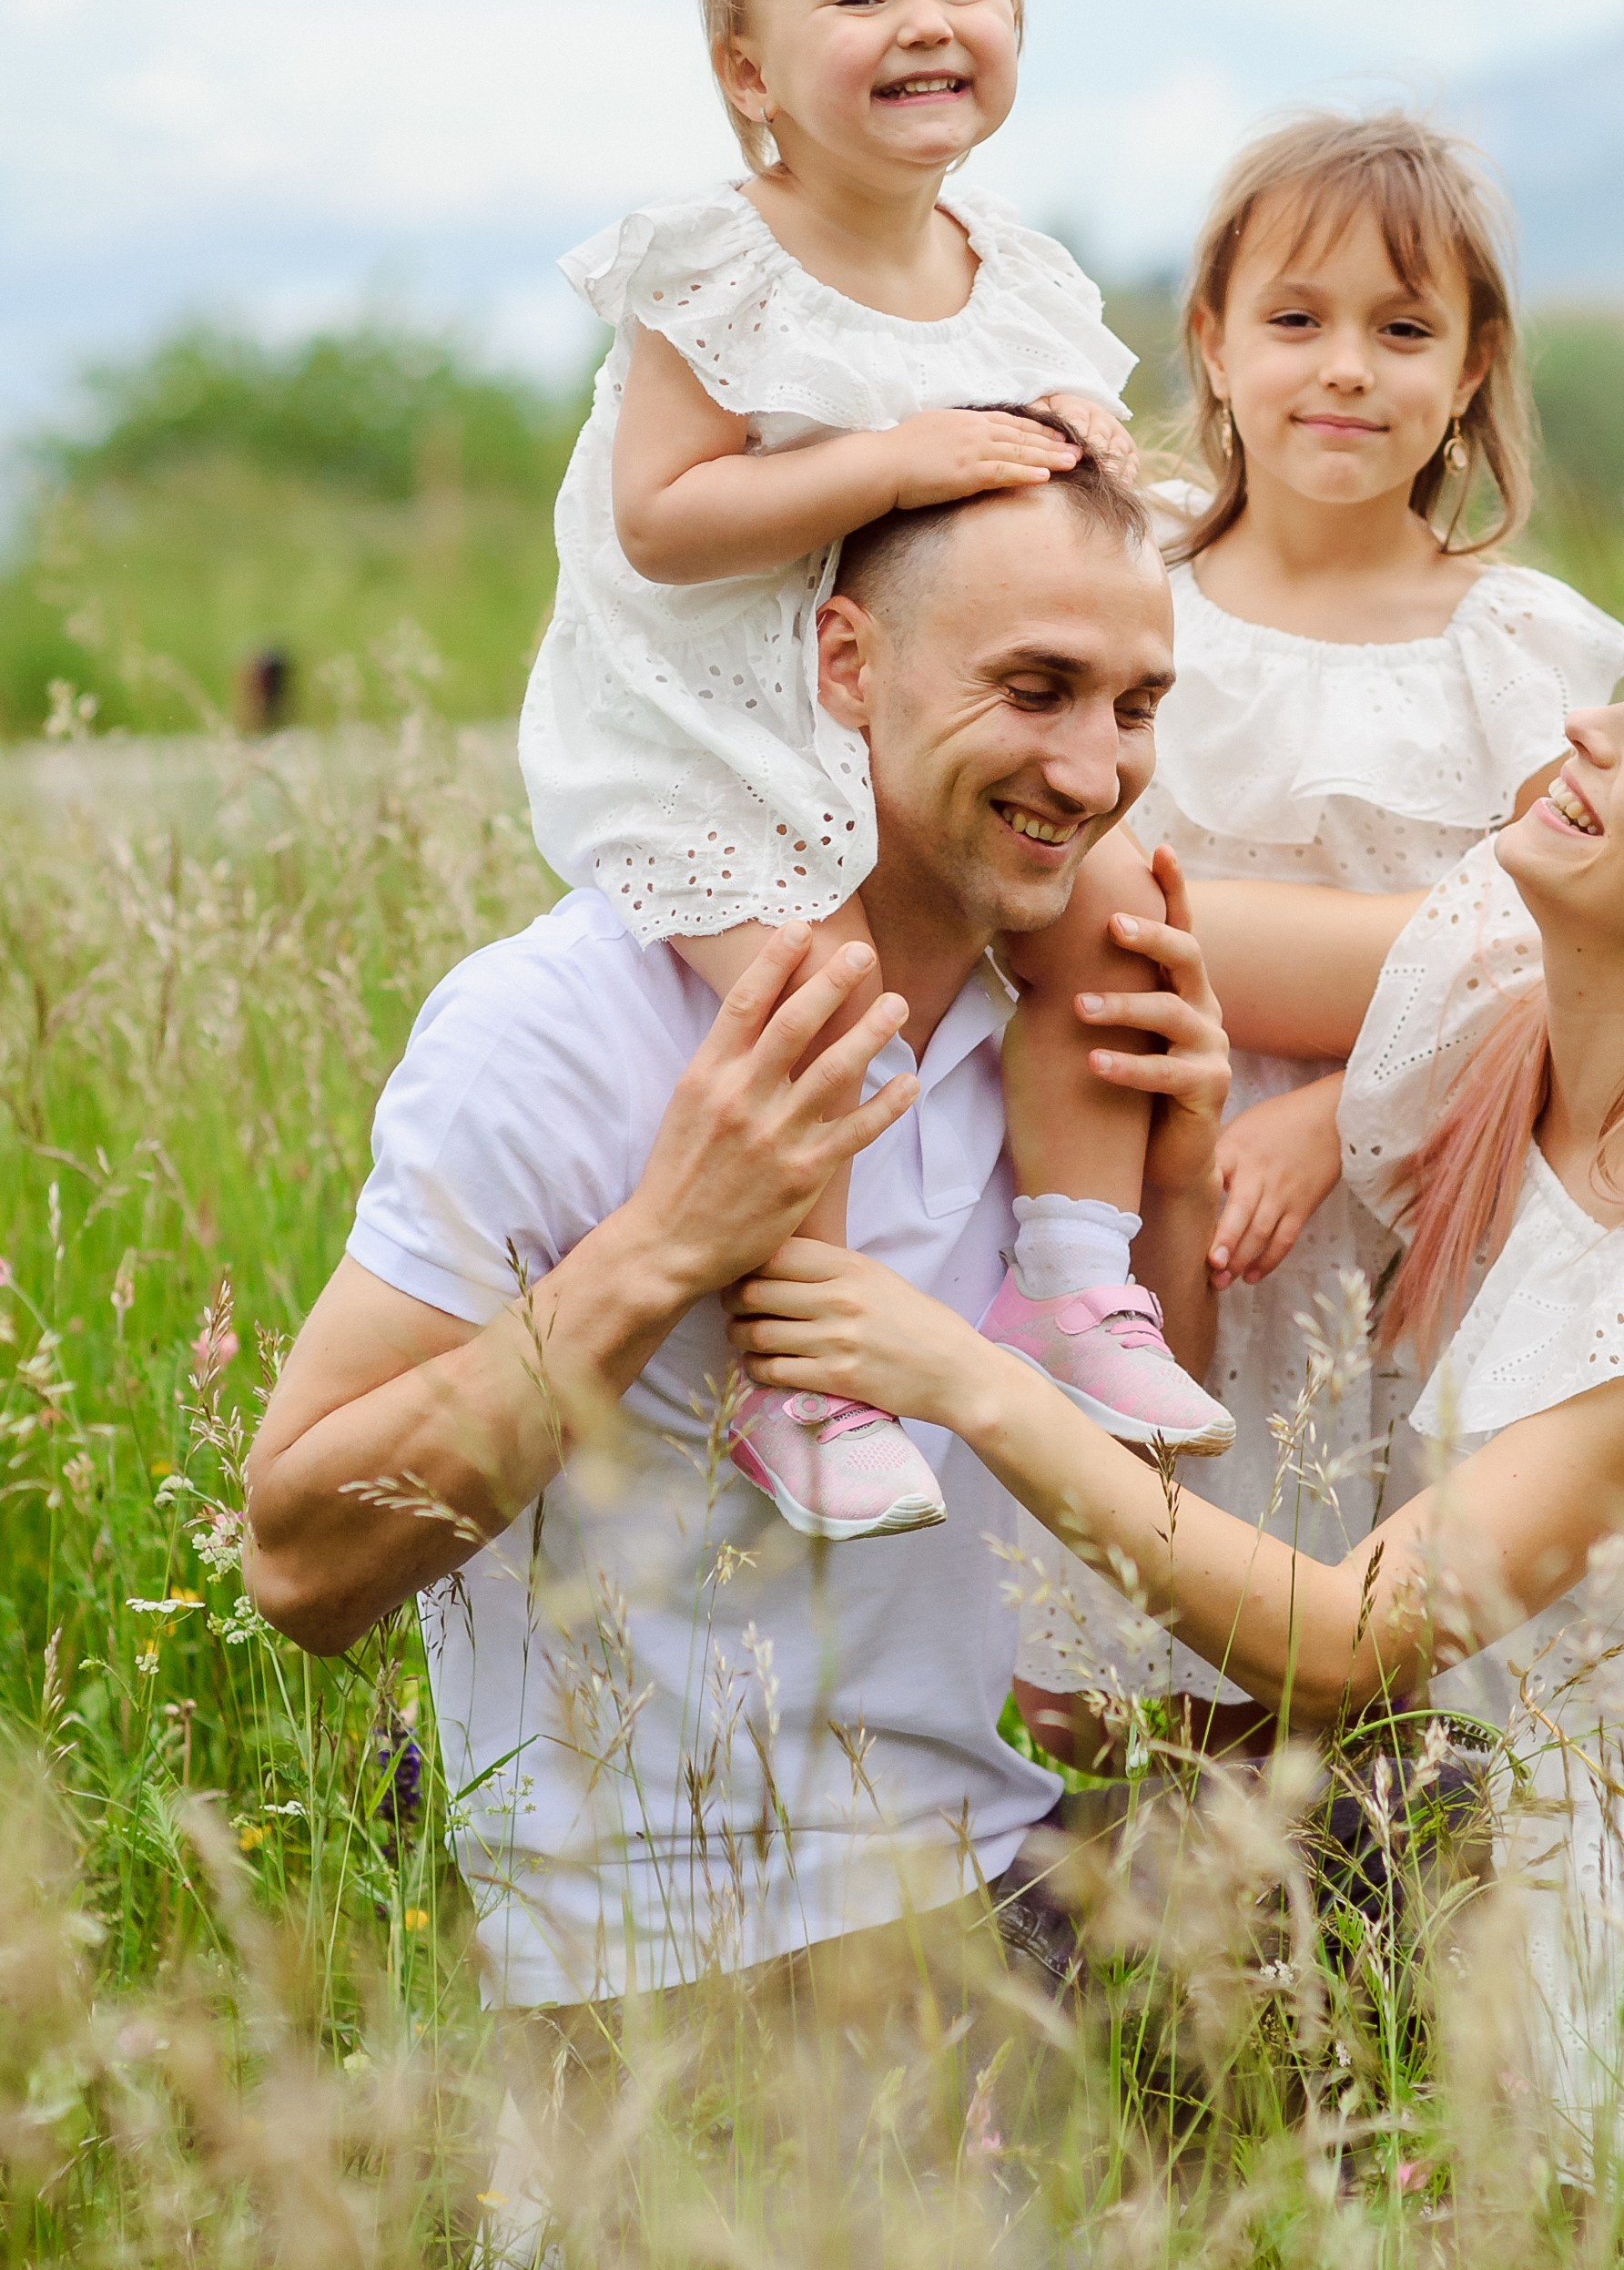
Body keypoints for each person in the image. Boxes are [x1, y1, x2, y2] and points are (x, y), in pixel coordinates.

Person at [725, 593, 1624, 2270]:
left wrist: (966, 1377)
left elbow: (1344, 1641)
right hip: (1508, 1815)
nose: (1592, 732)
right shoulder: (1498, 976)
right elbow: (1092, 905)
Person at [243, 442, 1233, 2018]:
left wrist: (1173, 1187)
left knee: (1439, 1821)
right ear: (845, 663)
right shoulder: (556, 1024)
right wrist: (661, 1245)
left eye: (1135, 706)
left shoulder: (1056, 1036)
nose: (1093, 768)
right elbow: (299, 1568)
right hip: (664, 1963)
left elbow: (1128, 1535)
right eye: (1034, 689)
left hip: (988, 1864)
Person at [517, 0, 1231, 1546]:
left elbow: (1050, 490)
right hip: (718, 726)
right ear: (746, 68)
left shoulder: (1022, 276)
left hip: (915, 716)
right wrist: (892, 459)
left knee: (1113, 914)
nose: (924, 21)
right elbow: (671, 522)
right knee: (820, 978)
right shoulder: (714, 268)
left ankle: (1069, 1277)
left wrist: (1078, 448)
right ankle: (809, 1365)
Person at [1014, 112, 1624, 1752]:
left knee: (1386, 1661)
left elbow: (1596, 980)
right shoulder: (1126, 579)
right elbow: (1060, 895)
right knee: (1138, 1670)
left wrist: (1332, 1112)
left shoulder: (1525, 653)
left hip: (1422, 1207)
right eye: (1294, 321)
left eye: (1403, 328)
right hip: (1142, 1175)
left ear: (1473, 363)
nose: (1344, 369)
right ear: (1209, 341)